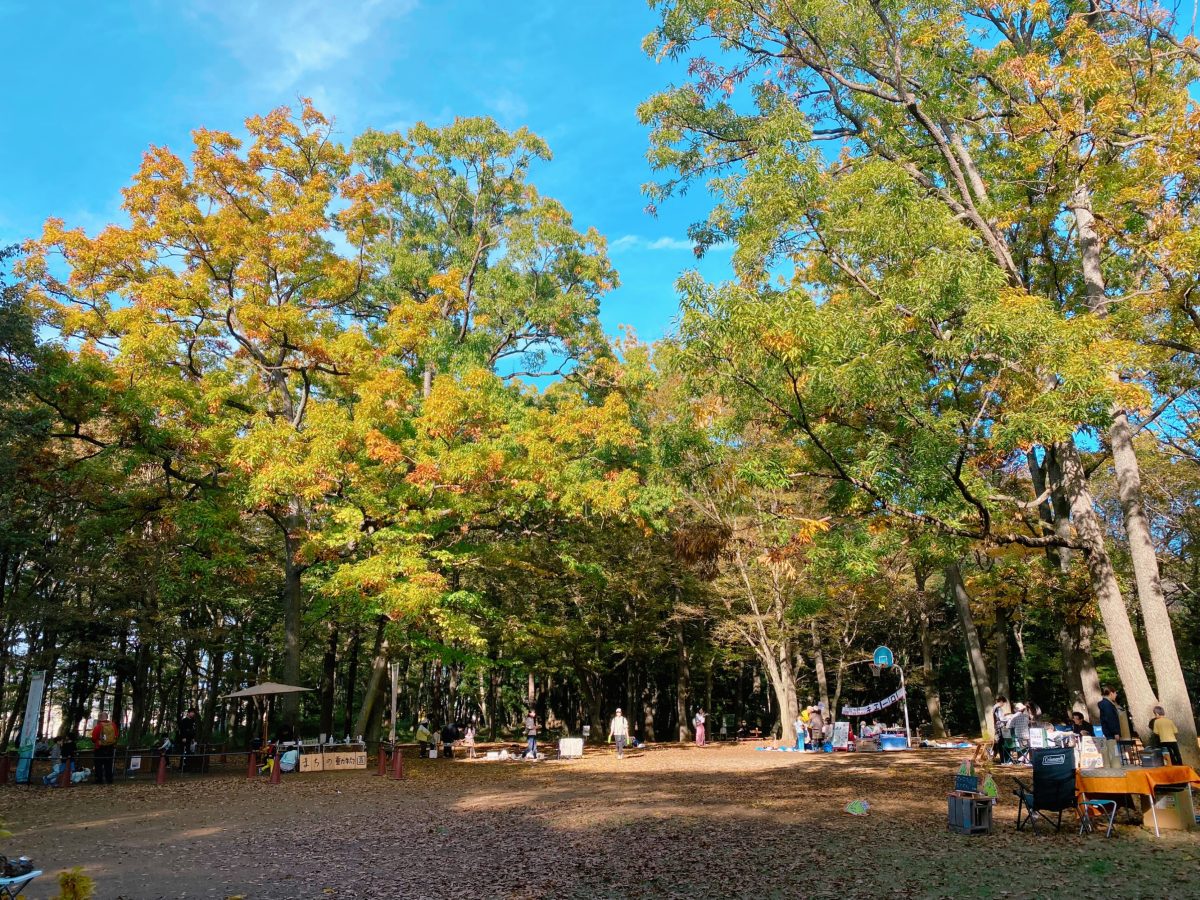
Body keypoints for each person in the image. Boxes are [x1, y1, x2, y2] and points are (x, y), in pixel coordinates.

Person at [90, 711, 119, 785]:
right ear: (107, 717)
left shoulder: (98, 727)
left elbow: (93, 738)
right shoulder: (113, 725)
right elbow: (116, 735)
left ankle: (99, 780)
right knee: (108, 765)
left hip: (99, 748)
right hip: (110, 748)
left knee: (98, 765)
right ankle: (109, 780)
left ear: (100, 718)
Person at [1098, 685, 1122, 768]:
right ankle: (1116, 770)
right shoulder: (1107, 704)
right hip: (1111, 733)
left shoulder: (1106, 704)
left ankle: (1110, 767)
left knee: (1110, 753)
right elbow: (1110, 719)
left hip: (1108, 732)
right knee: (1114, 754)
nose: (1116, 695)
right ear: (1111, 693)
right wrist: (1115, 732)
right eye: (1115, 693)